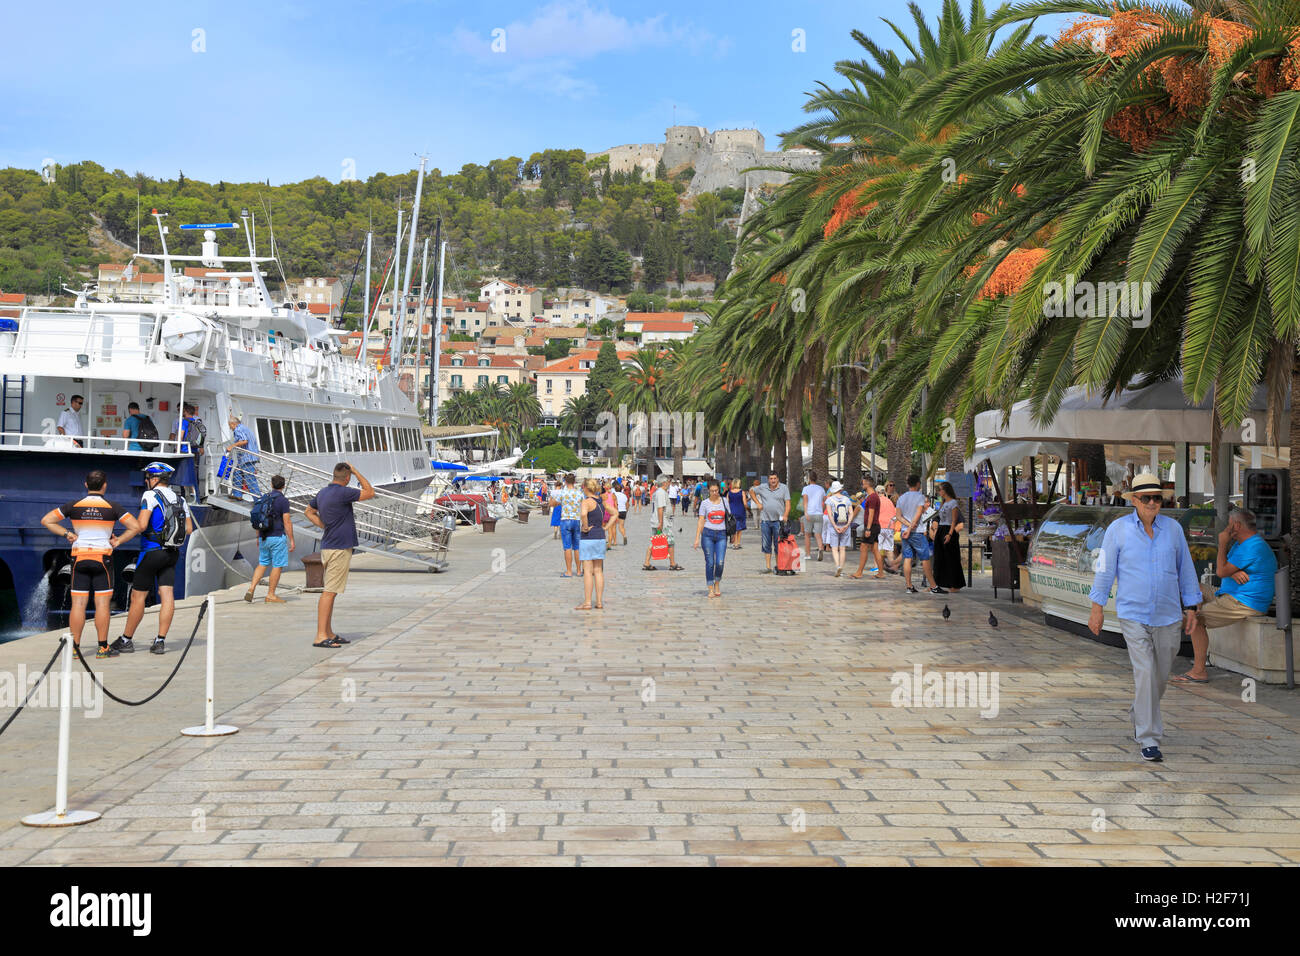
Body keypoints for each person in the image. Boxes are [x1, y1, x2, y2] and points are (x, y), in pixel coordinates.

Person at [1087, 472, 1201, 762]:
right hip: (1133, 613)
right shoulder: (1118, 529)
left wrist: (1192, 607)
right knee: (1146, 673)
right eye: (1147, 498)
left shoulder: (1174, 530)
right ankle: (1149, 738)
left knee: (1160, 676)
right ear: (1134, 500)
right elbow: (1104, 570)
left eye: (1157, 498)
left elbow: (1185, 569)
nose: (1153, 503)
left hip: (1168, 614)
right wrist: (1096, 607)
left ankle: (1140, 712)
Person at [41, 470, 140, 659]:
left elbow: (47, 520)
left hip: (79, 557)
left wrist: (68, 534)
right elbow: (135, 527)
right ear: (105, 485)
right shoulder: (113, 507)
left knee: (78, 604)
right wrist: (118, 541)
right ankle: (103, 648)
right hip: (102, 558)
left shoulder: (74, 506)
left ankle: (74, 648)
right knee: (102, 604)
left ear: (86, 485)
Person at [1175, 507, 1277, 685]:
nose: (1225, 529)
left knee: (1195, 619)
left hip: (1242, 602)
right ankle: (1195, 606)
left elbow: (1221, 570)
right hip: (1228, 594)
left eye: (1229, 525)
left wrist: (1222, 543)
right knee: (1192, 586)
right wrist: (1232, 572)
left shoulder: (1253, 546)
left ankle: (1199, 671)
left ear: (1236, 526)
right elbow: (1227, 569)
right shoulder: (1241, 544)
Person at [114, 462, 194, 656]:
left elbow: (141, 525)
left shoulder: (150, 495)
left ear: (155, 479)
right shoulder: (180, 499)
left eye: (148, 478)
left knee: (137, 597)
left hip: (151, 552)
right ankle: (160, 641)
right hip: (172, 553)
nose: (146, 481)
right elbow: (190, 529)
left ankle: (126, 640)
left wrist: (120, 538)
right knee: (166, 595)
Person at [304, 462, 374, 649]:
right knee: (329, 592)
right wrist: (357, 470)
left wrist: (324, 525)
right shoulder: (344, 493)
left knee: (332, 591)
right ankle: (320, 636)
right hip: (339, 548)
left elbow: (308, 511)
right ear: (347, 478)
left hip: (328, 545)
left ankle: (328, 632)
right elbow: (369, 492)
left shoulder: (323, 493)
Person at [246, 474, 294, 604]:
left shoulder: (264, 498)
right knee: (277, 566)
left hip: (263, 537)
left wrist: (258, 537)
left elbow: (257, 518)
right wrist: (292, 540)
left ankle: (251, 589)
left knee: (262, 563)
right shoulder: (283, 501)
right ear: (283, 486)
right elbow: (287, 522)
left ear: (271, 485)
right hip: (277, 537)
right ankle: (271, 595)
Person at [896, 475, 938, 594]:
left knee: (907, 558)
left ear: (908, 484)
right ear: (918, 484)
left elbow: (898, 516)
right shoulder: (920, 497)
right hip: (917, 532)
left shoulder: (901, 498)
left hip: (904, 531)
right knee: (925, 558)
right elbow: (919, 513)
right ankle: (933, 586)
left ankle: (909, 586)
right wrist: (911, 527)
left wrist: (906, 525)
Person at [694, 478, 730, 598]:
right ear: (708, 491)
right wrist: (697, 538)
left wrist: (733, 536)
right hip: (708, 534)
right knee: (710, 562)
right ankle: (710, 587)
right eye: (712, 491)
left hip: (721, 534)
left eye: (716, 490)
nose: (715, 493)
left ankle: (717, 583)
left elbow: (729, 518)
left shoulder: (724, 501)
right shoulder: (704, 503)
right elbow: (701, 521)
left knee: (720, 562)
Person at [750, 472, 791, 574]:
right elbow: (751, 491)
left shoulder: (784, 488)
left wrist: (785, 515)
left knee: (778, 545)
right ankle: (768, 567)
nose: (773, 480)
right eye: (771, 479)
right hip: (765, 521)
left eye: (775, 478)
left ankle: (778, 566)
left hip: (779, 522)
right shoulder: (763, 487)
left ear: (778, 479)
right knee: (766, 544)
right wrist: (758, 503)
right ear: (768, 480)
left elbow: (788, 504)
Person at [576, 478, 607, 610]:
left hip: (588, 537)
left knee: (588, 571)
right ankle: (599, 601)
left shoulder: (586, 502)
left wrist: (585, 525)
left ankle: (588, 602)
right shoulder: (601, 502)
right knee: (598, 570)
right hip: (600, 536)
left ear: (586, 488)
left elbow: (583, 514)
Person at [933, 481, 967, 592]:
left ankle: (955, 584)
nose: (939, 492)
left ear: (946, 491)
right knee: (939, 557)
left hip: (948, 530)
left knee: (951, 558)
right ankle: (938, 583)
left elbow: (954, 520)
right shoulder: (943, 503)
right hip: (941, 529)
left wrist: (950, 534)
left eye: (940, 489)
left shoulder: (953, 503)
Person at [642, 475, 681, 570]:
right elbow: (660, 508)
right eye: (668, 481)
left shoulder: (659, 492)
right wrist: (661, 523)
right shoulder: (661, 493)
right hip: (663, 523)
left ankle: (646, 562)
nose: (669, 483)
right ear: (664, 483)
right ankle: (672, 563)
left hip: (660, 521)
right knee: (670, 542)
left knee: (655, 541)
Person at [851, 475, 885, 580]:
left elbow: (871, 514)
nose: (862, 484)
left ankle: (859, 572)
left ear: (867, 484)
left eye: (863, 483)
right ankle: (880, 573)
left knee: (863, 547)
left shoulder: (872, 497)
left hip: (872, 526)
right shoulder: (872, 497)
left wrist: (868, 529)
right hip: (874, 526)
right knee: (875, 549)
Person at [821, 480, 857, 577]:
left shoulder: (829, 500)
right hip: (845, 526)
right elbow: (851, 513)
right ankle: (841, 566)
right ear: (840, 489)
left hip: (834, 526)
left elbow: (829, 514)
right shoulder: (847, 499)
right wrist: (847, 525)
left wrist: (835, 526)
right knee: (842, 549)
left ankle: (837, 566)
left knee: (834, 548)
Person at [556, 473, 584, 577]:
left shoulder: (562, 493)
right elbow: (583, 503)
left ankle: (568, 571)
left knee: (567, 547)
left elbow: (555, 503)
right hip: (576, 520)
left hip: (565, 519)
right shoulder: (579, 493)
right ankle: (578, 570)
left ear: (565, 482)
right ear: (574, 481)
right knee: (577, 547)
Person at [227, 414, 260, 499]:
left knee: (250, 480)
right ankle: (237, 494)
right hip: (246, 458)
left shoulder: (238, 429)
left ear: (234, 424)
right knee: (237, 473)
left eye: (230, 426)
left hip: (247, 458)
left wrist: (232, 446)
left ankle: (258, 501)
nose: (230, 428)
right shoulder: (244, 428)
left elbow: (244, 441)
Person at [801, 470, 827, 562]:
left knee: (807, 535)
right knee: (818, 534)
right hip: (819, 513)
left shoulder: (806, 489)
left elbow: (805, 502)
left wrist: (805, 513)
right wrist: (822, 509)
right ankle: (820, 548)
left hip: (809, 513)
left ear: (808, 479)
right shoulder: (821, 489)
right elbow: (825, 500)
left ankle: (808, 554)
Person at [726, 478, 748, 549]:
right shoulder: (742, 492)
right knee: (739, 528)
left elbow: (727, 502)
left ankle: (735, 543)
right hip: (740, 511)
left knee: (734, 528)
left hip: (732, 511)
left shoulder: (729, 492)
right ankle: (738, 543)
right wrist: (747, 508)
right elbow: (744, 503)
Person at [602, 481, 619, 546]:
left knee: (602, 529)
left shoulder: (602, 496)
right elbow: (616, 506)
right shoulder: (613, 495)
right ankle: (611, 543)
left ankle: (603, 542)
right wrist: (617, 516)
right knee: (611, 529)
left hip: (604, 513)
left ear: (604, 487)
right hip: (612, 514)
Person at [613, 481, 629, 546]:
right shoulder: (624, 495)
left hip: (616, 511)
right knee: (621, 526)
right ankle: (624, 536)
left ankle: (615, 541)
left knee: (614, 527)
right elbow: (627, 504)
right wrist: (626, 511)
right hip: (623, 511)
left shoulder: (613, 494)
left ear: (615, 489)